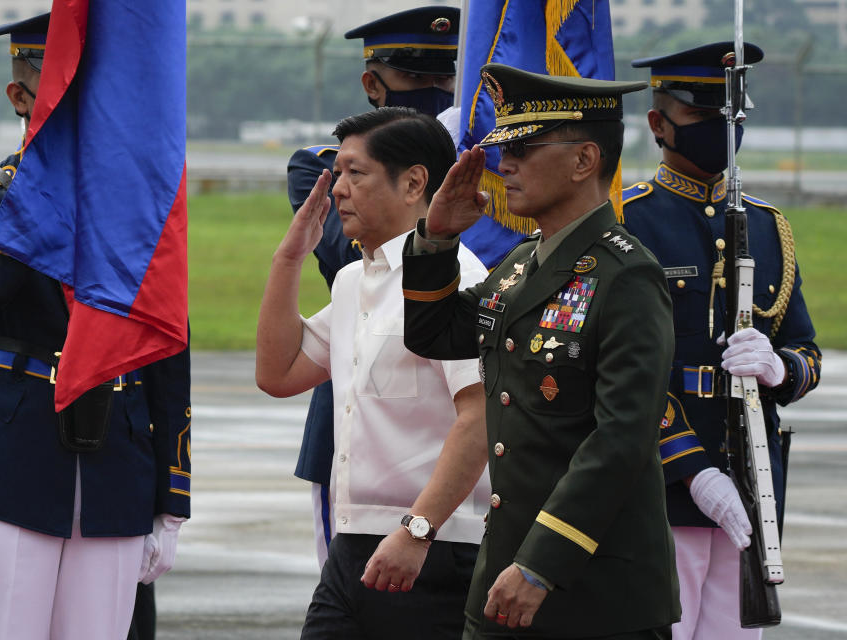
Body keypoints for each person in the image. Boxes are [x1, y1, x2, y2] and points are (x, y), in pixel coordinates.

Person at [0, 12, 192, 639]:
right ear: (20, 94)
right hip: (7, 453)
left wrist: (172, 499)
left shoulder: (136, 211)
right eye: (68, 81)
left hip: (117, 457)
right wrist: (50, 179)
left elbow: (167, 346)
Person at [400, 65, 681, 638]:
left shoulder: (626, 275)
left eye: (525, 149)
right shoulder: (524, 263)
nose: (505, 165)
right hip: (506, 576)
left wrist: (541, 562)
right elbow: (435, 333)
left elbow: (621, 438)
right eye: (506, 149)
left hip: (593, 592)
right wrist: (437, 238)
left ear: (584, 161)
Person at [257, 107, 490, 639]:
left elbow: (477, 417)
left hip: (433, 547)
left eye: (355, 173)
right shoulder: (352, 281)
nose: (338, 189)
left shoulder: (456, 279)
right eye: (338, 173)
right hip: (354, 543)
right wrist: (289, 258)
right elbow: (278, 373)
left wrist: (417, 531)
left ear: (413, 183)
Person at [622, 42, 822, 640]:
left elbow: (808, 352)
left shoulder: (766, 226)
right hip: (660, 485)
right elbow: (618, 371)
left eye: (731, 119)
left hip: (750, 484)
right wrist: (692, 468)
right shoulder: (627, 221)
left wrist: (780, 368)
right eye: (704, 118)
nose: (721, 132)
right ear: (659, 123)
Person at [286, 5, 461, 568]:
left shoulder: (487, 170)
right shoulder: (323, 167)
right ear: (373, 83)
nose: (434, 89)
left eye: (444, 77)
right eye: (415, 78)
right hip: (361, 427)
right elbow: (348, 253)